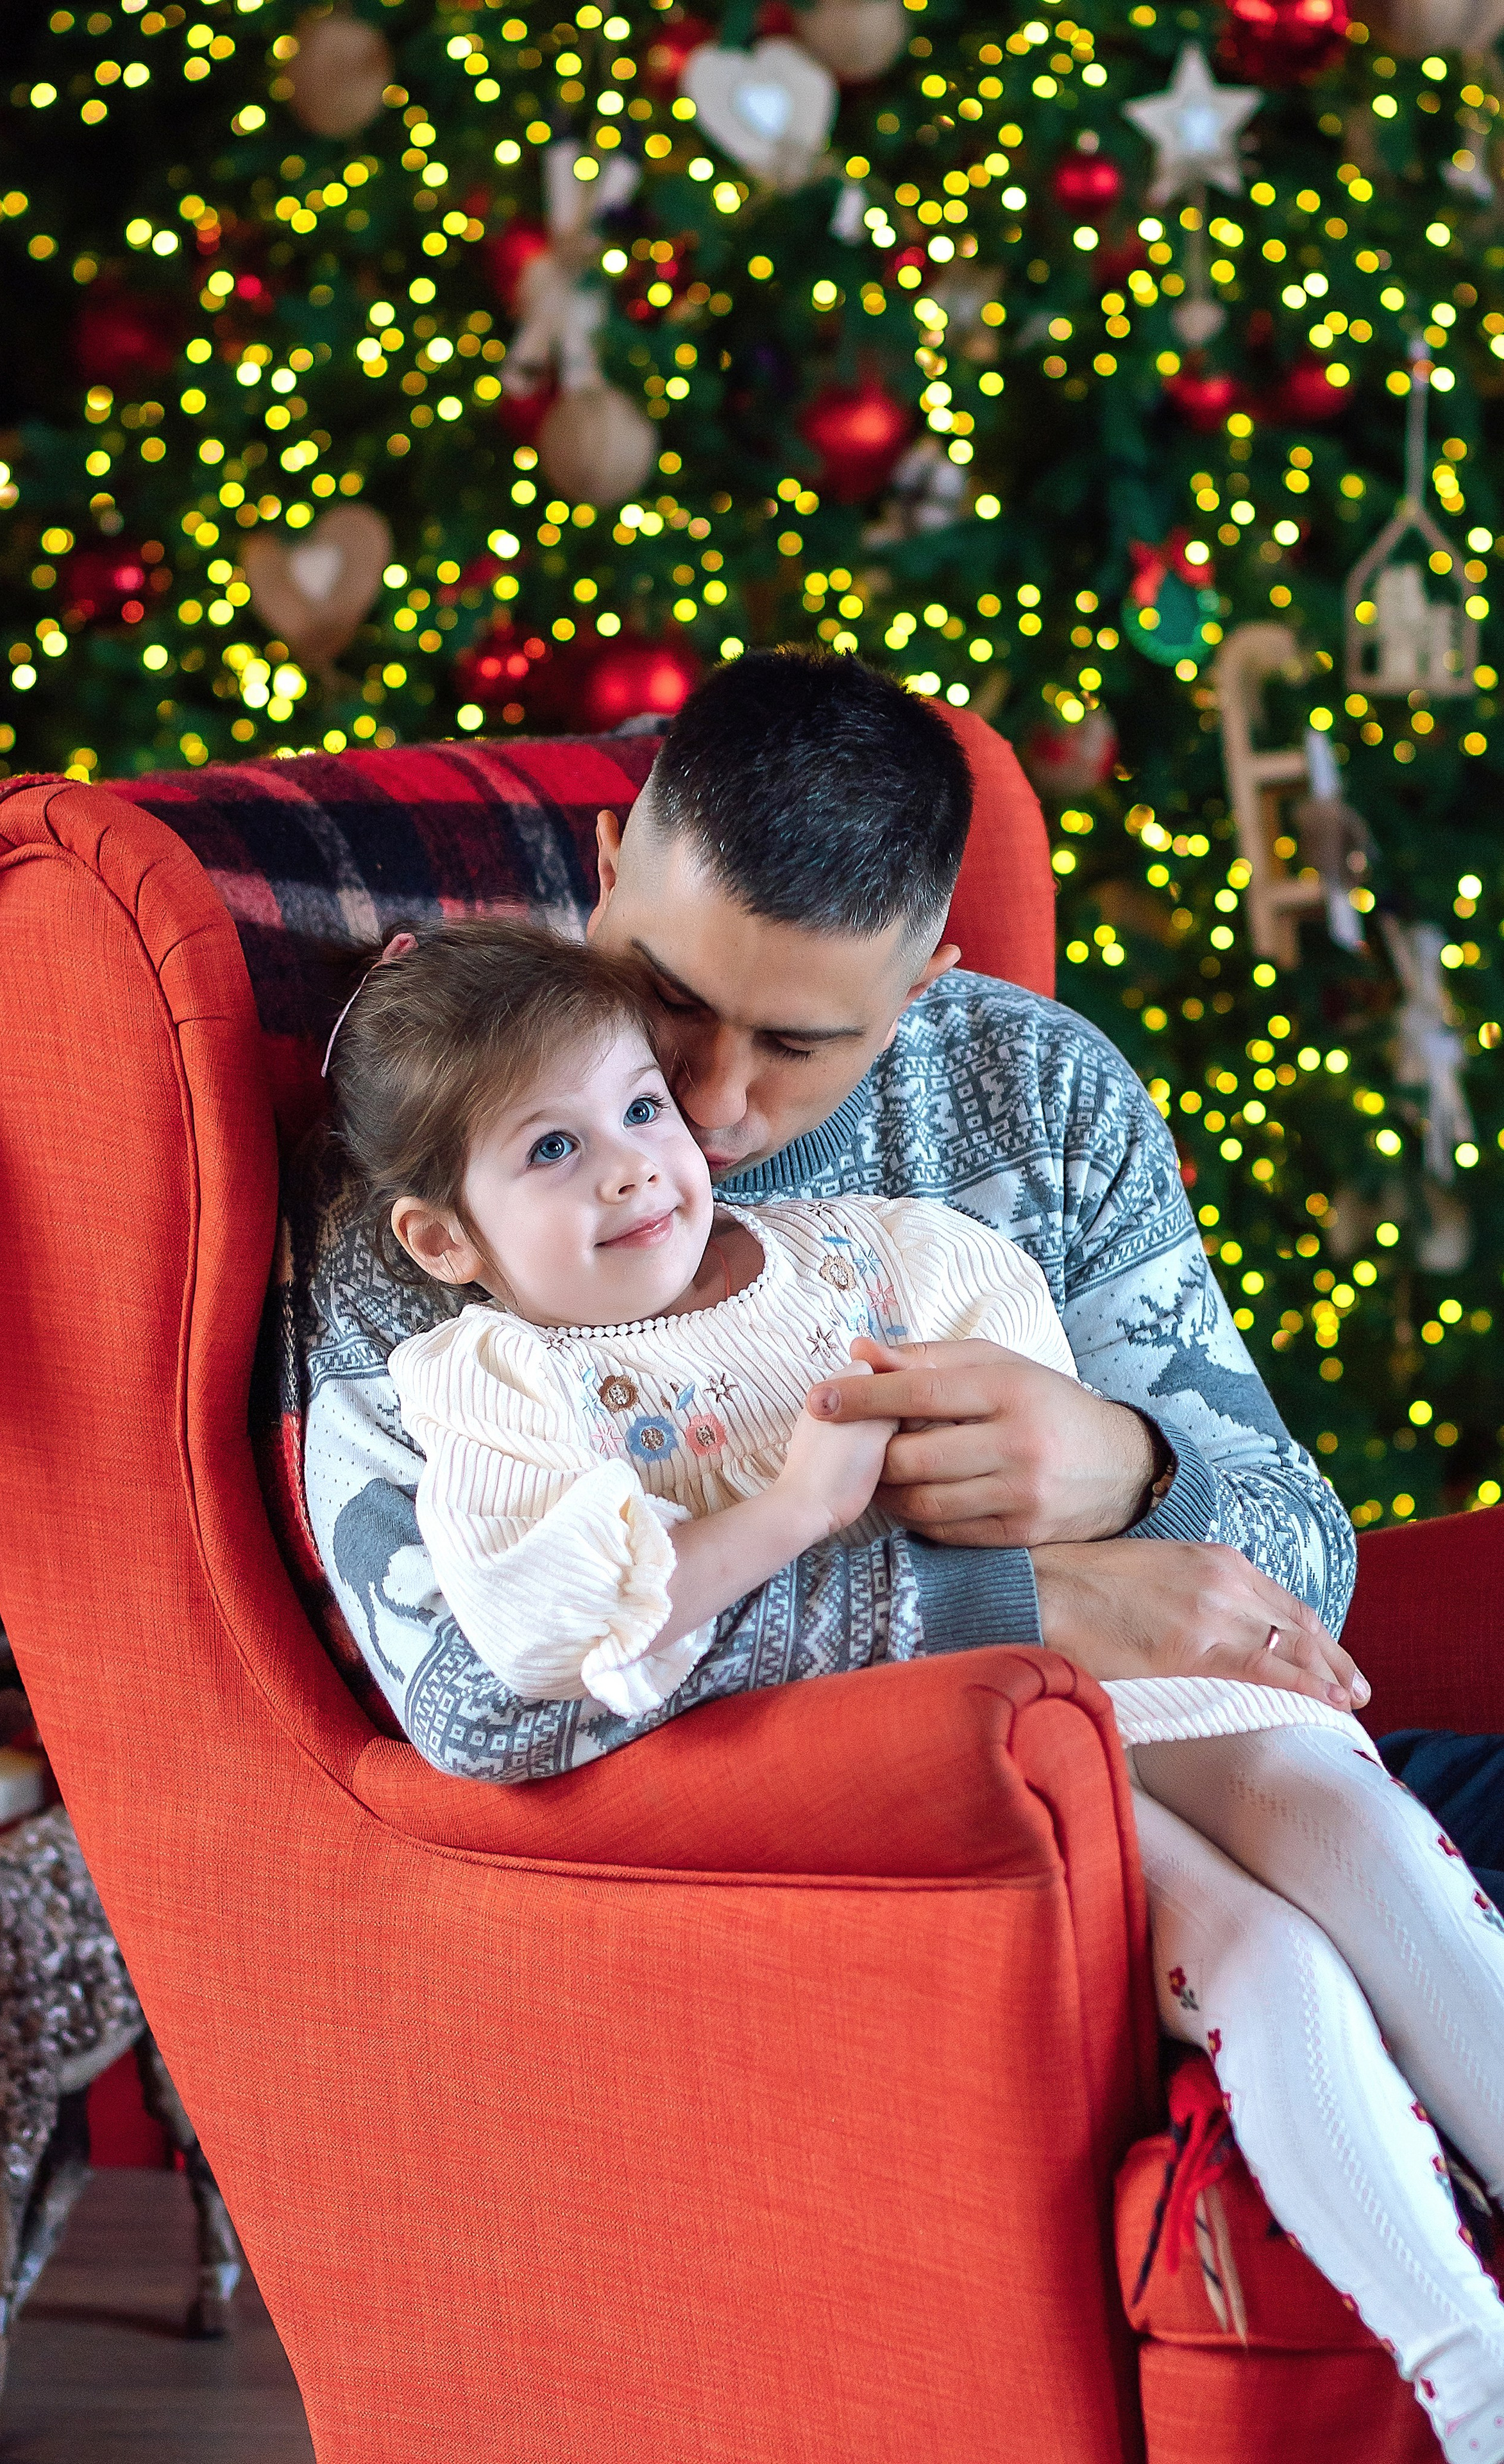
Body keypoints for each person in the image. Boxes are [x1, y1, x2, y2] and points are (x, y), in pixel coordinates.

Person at [326, 913, 1504, 2464]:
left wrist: (1112, 1476)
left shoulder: (883, 1250)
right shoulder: (497, 1395)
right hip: (971, 1751)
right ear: (442, 1239)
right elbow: (557, 1645)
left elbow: (1094, 1480)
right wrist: (794, 1510)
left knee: (1369, 1849)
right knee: (1268, 1974)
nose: (632, 1167)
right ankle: (1468, 2376)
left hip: (1143, 1686)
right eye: (551, 1148)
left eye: (637, 1110)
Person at [302, 645, 1357, 1783]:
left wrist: (1133, 1470)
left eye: (797, 1045)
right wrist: (1013, 1603)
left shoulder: (1045, 1093)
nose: (706, 1101)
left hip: (1178, 1770)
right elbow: (469, 1694)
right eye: (671, 997)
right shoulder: (470, 1169)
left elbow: (1308, 1565)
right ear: (609, 873)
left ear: (917, 991)